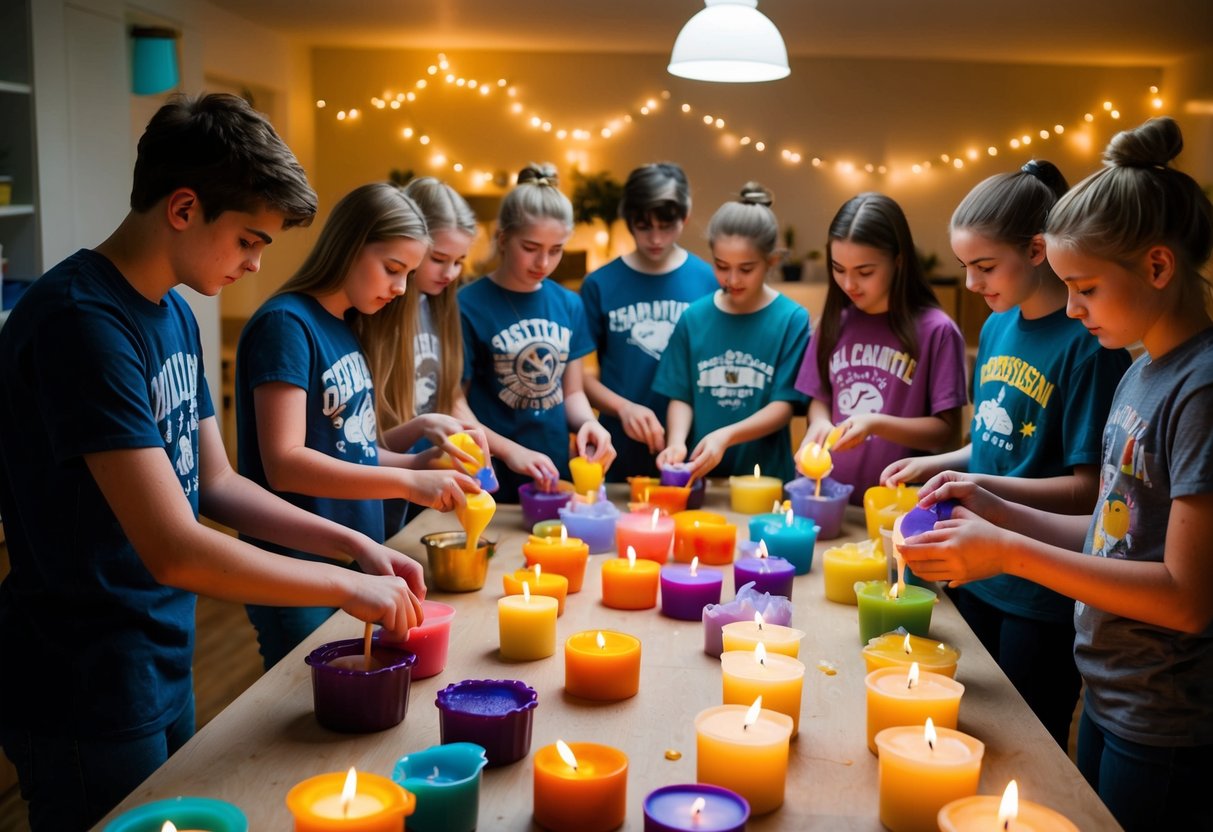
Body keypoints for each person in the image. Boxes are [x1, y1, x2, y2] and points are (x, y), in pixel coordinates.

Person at [0, 94, 428, 831]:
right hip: (83, 675)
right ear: (183, 208)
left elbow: (220, 484)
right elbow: (173, 547)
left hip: (160, 651)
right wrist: (344, 585)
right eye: (248, 240)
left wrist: (354, 546)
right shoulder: (80, 321)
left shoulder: (172, 310)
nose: (257, 263)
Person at [900, 116, 1213, 831]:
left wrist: (1009, 551)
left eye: (1086, 288)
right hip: (1110, 690)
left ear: (1157, 267)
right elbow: (1110, 534)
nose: (1071, 308)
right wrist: (990, 502)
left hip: (1163, 716)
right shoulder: (1142, 373)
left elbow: (1187, 598)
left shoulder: (1199, 388)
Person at [881, 162, 1132, 749]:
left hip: (1037, 591)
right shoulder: (996, 327)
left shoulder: (1090, 344)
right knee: (964, 730)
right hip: (974, 571)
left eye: (985, 266)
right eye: (964, 266)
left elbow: (1088, 491)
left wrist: (978, 488)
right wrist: (943, 463)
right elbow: (998, 444)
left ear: (1037, 250)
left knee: (1024, 746)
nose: (971, 283)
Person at [236, 182, 479, 669]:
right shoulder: (286, 325)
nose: (401, 288)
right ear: (350, 245)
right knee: (303, 695)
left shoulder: (346, 326)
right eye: (392, 269)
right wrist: (406, 482)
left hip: (356, 561)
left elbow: (352, 451)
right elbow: (286, 464)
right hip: (296, 565)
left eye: (408, 273)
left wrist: (418, 463)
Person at [794, 193, 968, 503]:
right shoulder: (832, 323)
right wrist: (819, 422)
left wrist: (875, 423)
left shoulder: (937, 331)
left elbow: (945, 432)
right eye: (838, 268)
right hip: (828, 496)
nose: (849, 284)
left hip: (896, 505)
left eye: (864, 272)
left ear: (898, 261)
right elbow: (819, 397)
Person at [459, 163, 615, 501]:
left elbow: (572, 392)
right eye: (531, 248)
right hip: (490, 477)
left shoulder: (569, 304)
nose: (543, 262)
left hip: (552, 472)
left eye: (556, 250)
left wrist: (589, 424)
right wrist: (509, 451)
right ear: (503, 238)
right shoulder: (466, 304)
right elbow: (454, 405)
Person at [355, 177, 493, 535]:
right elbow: (359, 443)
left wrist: (486, 443)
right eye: (439, 259)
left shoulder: (440, 308)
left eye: (459, 261)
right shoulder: (371, 312)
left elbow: (449, 395)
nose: (450, 273)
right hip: (378, 483)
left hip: (423, 483)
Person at [653, 182, 809, 482]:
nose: (732, 279)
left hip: (766, 482)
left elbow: (783, 407)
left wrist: (725, 436)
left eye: (746, 269)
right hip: (703, 477)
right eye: (722, 266)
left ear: (772, 261)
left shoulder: (791, 319)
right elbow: (681, 396)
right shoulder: (694, 317)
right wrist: (676, 443)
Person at [580, 163, 717, 479]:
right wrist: (623, 408)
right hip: (617, 447)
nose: (655, 238)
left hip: (691, 447)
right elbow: (578, 377)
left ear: (685, 215)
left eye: (666, 227)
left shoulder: (708, 280)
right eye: (644, 227)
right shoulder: (599, 284)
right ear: (628, 219)